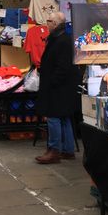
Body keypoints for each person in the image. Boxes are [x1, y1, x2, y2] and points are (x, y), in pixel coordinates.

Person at [35, 11, 79, 164]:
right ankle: (67, 150)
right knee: (64, 117)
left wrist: (52, 81)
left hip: (59, 87)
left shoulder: (62, 40)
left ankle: (54, 150)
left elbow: (63, 67)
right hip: (63, 86)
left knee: (53, 117)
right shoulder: (60, 38)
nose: (46, 24)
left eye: (48, 21)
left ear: (55, 24)